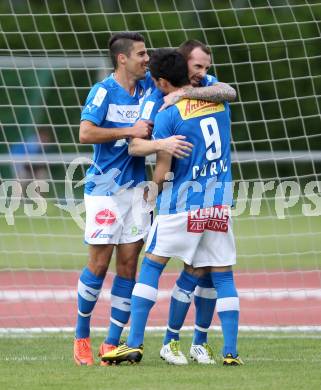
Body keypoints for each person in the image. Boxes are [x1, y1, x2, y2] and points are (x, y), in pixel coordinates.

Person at [102, 49, 242, 366]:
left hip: (182, 204)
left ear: (163, 82)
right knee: (222, 277)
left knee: (151, 267)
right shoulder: (218, 101)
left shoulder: (168, 113)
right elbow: (227, 91)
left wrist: (151, 192)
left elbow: (164, 171)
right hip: (219, 204)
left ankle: (134, 343)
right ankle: (230, 352)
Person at [74, 32, 206, 367]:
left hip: (138, 191)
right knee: (99, 264)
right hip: (104, 190)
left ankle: (111, 343)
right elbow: (85, 132)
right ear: (122, 59)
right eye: (141, 54)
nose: (146, 59)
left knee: (129, 265)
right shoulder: (103, 91)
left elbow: (186, 76)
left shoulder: (150, 85)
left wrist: (200, 76)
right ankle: (82, 337)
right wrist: (128, 130)